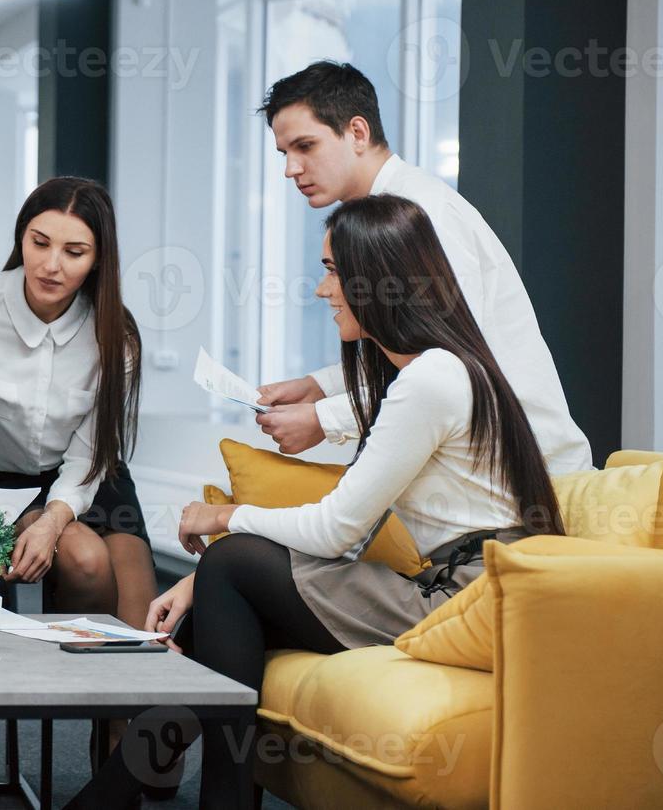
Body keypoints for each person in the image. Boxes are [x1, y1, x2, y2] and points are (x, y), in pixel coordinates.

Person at [63, 195, 566, 809]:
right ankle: (116, 798)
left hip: (469, 601)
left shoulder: (432, 380)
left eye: (333, 270)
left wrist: (221, 519)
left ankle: (131, 798)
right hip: (459, 591)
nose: (323, 290)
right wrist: (198, 586)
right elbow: (351, 529)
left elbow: (336, 530)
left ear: (377, 279)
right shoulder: (423, 375)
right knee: (224, 595)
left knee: (232, 563)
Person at [253, 61, 593, 475]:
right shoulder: (383, 215)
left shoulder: (422, 214)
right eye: (284, 153)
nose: (291, 169)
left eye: (305, 146)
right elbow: (418, 343)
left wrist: (327, 420)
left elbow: (456, 366)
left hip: (522, 472)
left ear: (357, 133)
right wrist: (321, 386)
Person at [0, 176, 153, 759]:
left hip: (89, 471)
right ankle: (76, 704)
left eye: (75, 252)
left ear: (98, 260)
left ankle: (116, 754)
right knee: (84, 560)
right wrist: (17, 516)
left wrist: (53, 517)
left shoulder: (113, 334)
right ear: (22, 236)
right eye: (39, 242)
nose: (50, 265)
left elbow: (92, 449)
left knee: (137, 650)